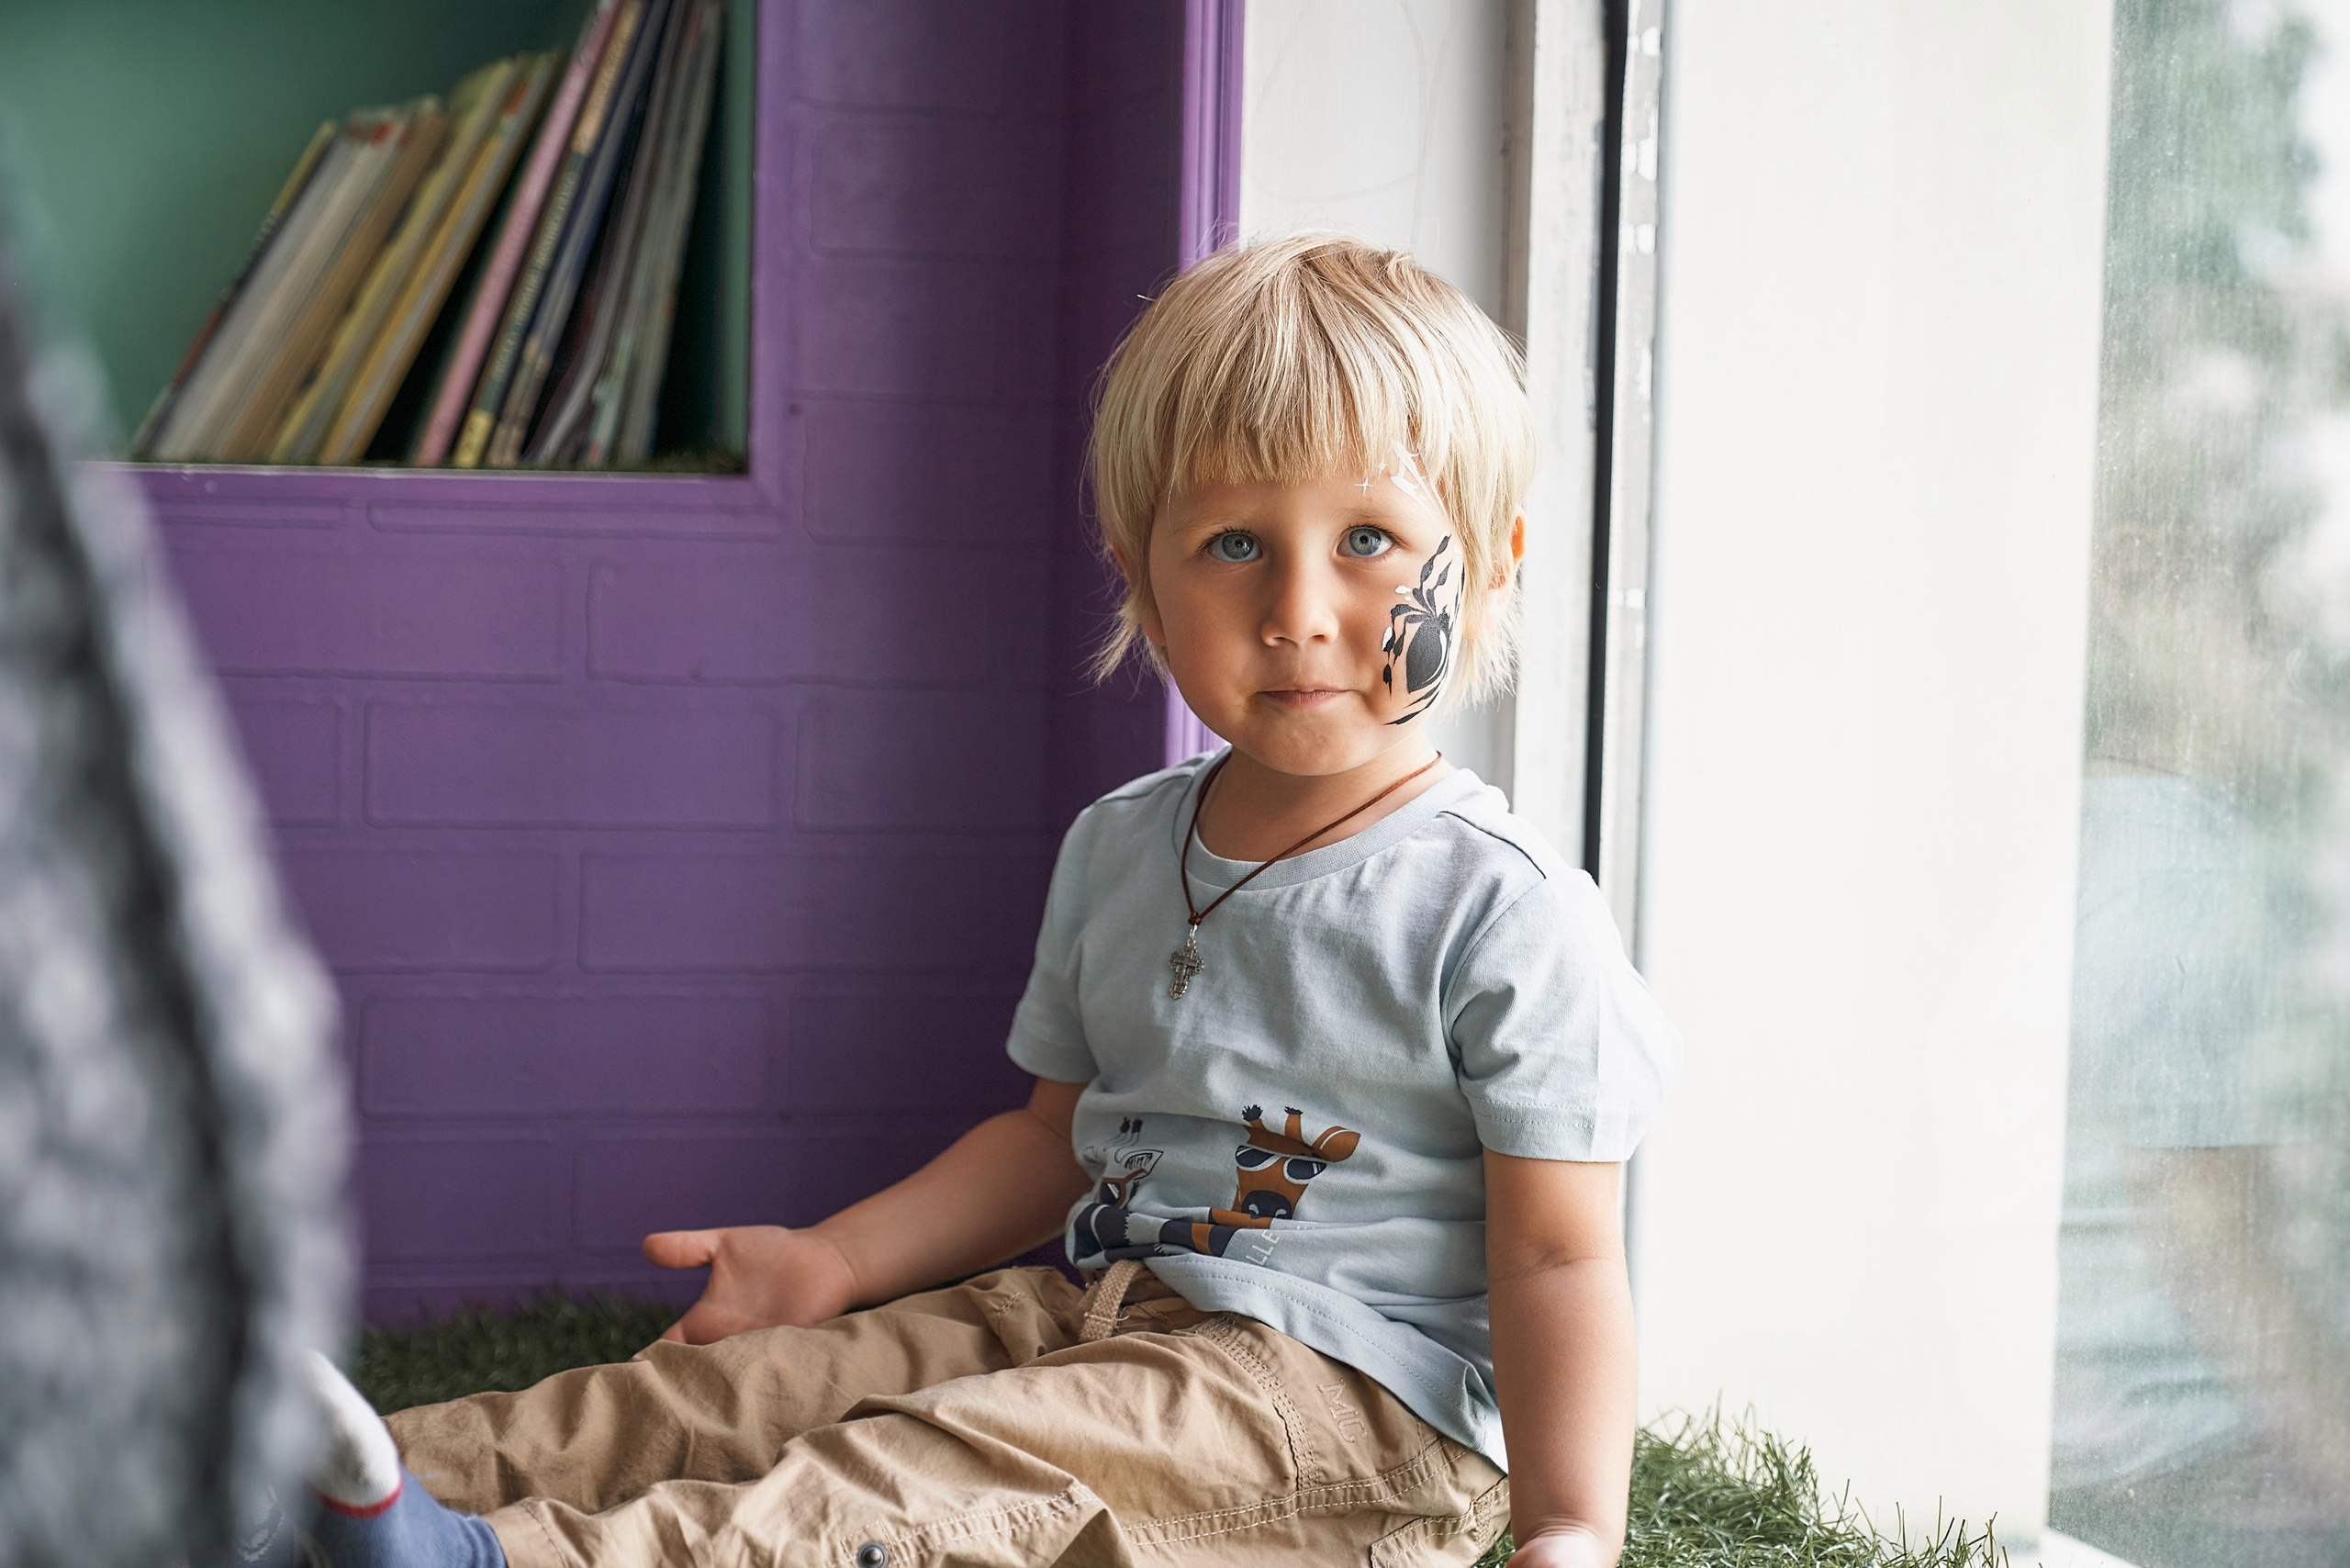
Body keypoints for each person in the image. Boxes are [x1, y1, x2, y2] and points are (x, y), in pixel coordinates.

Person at [295, 234, 1681, 1568]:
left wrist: (1573, 1523)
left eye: (1370, 538)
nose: (1301, 609)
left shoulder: (1505, 911)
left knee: (924, 1474)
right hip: (1095, 1309)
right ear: (1143, 576)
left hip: (1346, 1409)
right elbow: (1054, 1140)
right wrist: (830, 1263)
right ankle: (287, 1492)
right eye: (1236, 546)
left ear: (1490, 566)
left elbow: (1559, 1257)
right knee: (731, 1402)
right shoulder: (1125, 845)